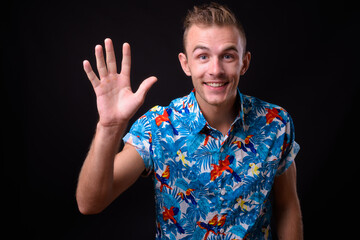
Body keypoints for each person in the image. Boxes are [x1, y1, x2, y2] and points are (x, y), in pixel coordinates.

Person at [76, 2, 303, 239]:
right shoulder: (158, 126)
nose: (215, 70)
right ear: (186, 63)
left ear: (244, 63)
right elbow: (90, 203)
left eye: (227, 56)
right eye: (203, 56)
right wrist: (108, 128)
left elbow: (287, 205)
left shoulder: (276, 123)